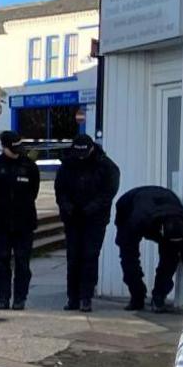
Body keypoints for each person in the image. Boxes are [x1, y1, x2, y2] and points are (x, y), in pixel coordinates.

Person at [54, 133, 119, 312]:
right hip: (72, 217)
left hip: (95, 219)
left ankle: (86, 297)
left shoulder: (105, 165)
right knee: (73, 257)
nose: (81, 158)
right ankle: (73, 297)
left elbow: (108, 192)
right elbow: (60, 190)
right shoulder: (68, 164)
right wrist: (67, 206)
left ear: (91, 149)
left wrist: (90, 208)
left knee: (90, 256)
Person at [114, 185, 183, 313]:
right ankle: (137, 297)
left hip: (164, 205)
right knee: (128, 256)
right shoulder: (137, 219)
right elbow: (128, 251)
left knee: (170, 258)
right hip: (128, 205)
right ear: (161, 230)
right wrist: (136, 291)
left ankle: (158, 298)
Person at [0, 130, 41, 310]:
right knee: (2, 261)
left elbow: (33, 192)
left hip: (24, 222)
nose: (17, 151)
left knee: (23, 262)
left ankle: (20, 298)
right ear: (4, 147)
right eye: (13, 148)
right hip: (1, 222)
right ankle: (3, 298)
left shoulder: (29, 166)